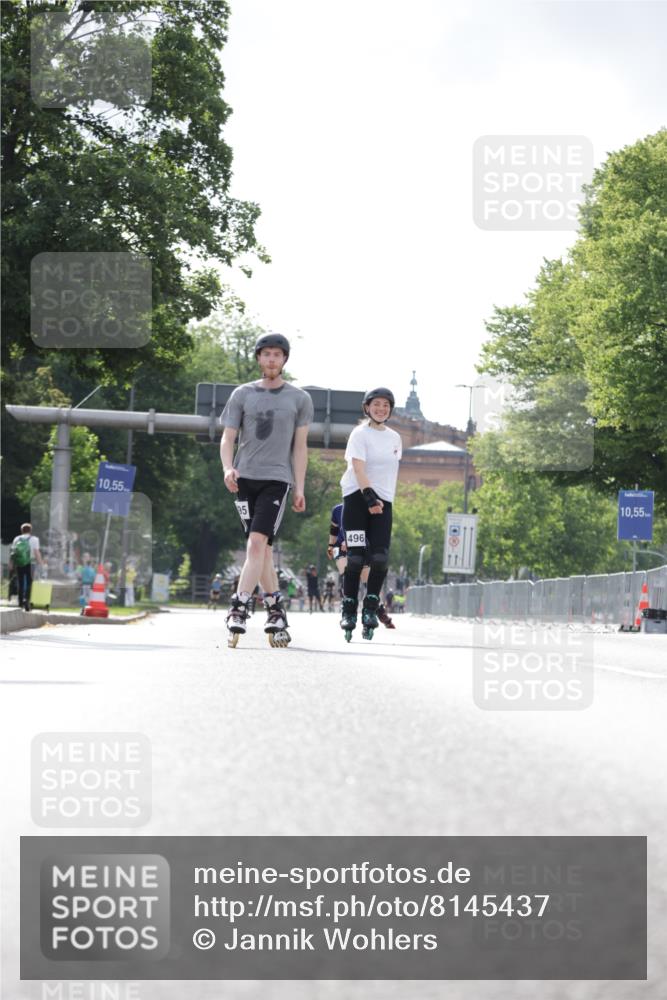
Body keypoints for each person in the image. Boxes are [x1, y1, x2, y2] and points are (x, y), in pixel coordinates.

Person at [220, 332, 313, 641]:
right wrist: (227, 468)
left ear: (284, 359)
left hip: (277, 480)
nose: (272, 359)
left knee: (256, 545)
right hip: (244, 479)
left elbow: (300, 447)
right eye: (266, 354)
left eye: (278, 354)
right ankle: (275, 610)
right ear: (259, 358)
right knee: (262, 549)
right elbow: (228, 437)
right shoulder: (242, 394)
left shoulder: (299, 399)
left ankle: (240, 606)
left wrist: (299, 487)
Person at [339, 388, 402, 636]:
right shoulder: (359, 434)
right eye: (376, 405)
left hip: (384, 500)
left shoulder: (395, 438)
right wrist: (369, 497)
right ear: (367, 407)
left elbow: (389, 472)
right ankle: (348, 609)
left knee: (380, 557)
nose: (381, 409)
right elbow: (358, 467)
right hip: (357, 497)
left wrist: (380, 499)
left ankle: (370, 606)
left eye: (386, 405)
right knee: (355, 558)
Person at [327, 501, 396, 629]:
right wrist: (331, 545)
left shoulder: (367, 508)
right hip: (341, 547)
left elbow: (373, 533)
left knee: (368, 583)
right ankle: (347, 611)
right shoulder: (337, 509)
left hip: (362, 547)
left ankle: (379, 611)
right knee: (346, 574)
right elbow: (334, 529)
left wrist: (354, 543)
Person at [9, 522, 43, 611]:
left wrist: (11, 563)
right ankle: (27, 601)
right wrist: (41, 563)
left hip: (19, 563)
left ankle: (20, 602)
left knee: (20, 582)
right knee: (29, 582)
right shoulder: (34, 539)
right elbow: (36, 552)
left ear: (21, 530)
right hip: (30, 563)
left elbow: (13, 552)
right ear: (30, 530)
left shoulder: (17, 539)